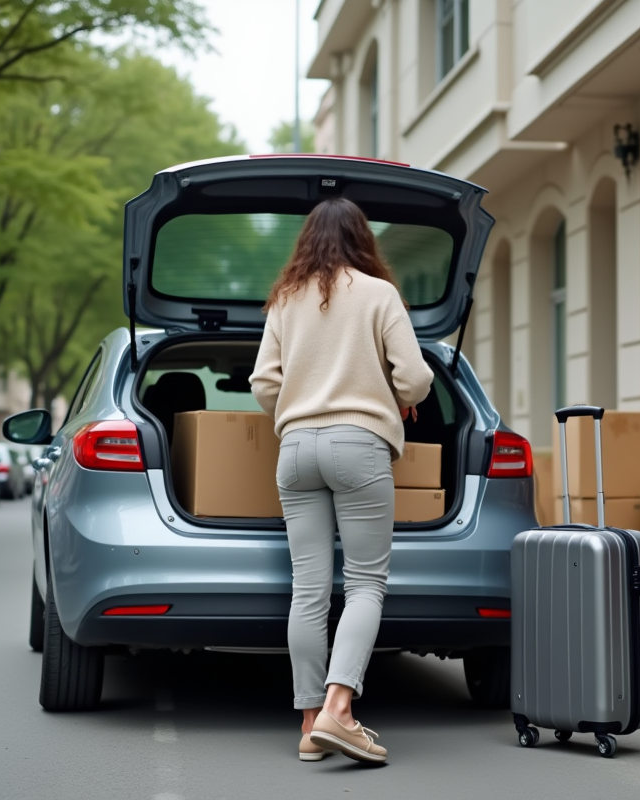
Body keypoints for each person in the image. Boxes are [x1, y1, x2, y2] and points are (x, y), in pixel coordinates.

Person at [250, 197, 434, 764]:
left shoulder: (285, 298)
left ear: (307, 240)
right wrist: (395, 398)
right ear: (363, 239)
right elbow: (418, 378)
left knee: (307, 590)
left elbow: (263, 383)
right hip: (359, 447)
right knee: (364, 585)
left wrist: (299, 406)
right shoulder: (378, 294)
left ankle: (311, 727)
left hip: (296, 450)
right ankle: (340, 710)